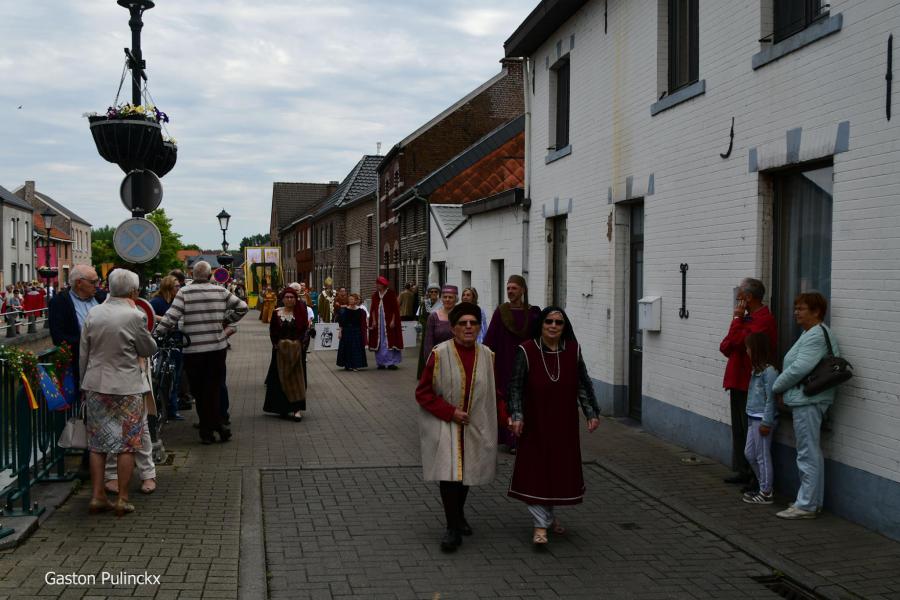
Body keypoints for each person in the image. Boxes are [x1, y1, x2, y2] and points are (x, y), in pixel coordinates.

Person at [506, 306, 600, 545]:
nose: (553, 326)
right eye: (549, 321)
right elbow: (515, 387)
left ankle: (548, 517)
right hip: (535, 422)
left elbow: (582, 384)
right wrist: (516, 414)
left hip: (563, 422)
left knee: (557, 471)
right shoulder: (526, 350)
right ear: (541, 324)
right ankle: (540, 525)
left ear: (564, 326)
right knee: (536, 472)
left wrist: (591, 412)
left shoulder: (573, 351)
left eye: (559, 323)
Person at [415, 302, 497, 552]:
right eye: (463, 323)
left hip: (474, 424)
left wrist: (510, 420)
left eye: (473, 323)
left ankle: (458, 515)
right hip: (445, 424)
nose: (469, 327)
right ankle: (452, 528)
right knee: (450, 474)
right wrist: (450, 412)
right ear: (453, 328)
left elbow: (496, 392)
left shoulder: (487, 355)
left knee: (467, 472)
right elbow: (423, 393)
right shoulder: (439, 354)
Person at [80, 269, 157, 517]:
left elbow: (84, 352)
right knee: (128, 444)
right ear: (133, 291)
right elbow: (146, 348)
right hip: (126, 387)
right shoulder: (134, 315)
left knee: (97, 444)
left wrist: (84, 382)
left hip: (96, 385)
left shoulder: (94, 313)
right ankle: (123, 498)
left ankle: (97, 496)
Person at [155, 261, 248, 445]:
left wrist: (157, 333)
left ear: (194, 275)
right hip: (217, 348)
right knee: (213, 388)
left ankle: (207, 431)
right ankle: (217, 426)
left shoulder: (184, 292)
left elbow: (171, 317)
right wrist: (224, 321)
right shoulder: (220, 291)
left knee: (199, 390)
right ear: (208, 275)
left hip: (194, 350)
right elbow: (243, 307)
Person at [773, 292, 840, 520]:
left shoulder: (815, 336)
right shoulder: (811, 333)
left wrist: (776, 387)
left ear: (816, 312)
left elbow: (799, 368)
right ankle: (811, 501)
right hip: (808, 400)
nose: (795, 312)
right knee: (811, 451)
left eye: (801, 309)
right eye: (796, 308)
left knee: (806, 452)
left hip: (809, 400)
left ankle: (806, 505)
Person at [719, 278, 777, 489]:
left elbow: (737, 343)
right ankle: (742, 470)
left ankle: (756, 477)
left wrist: (736, 319)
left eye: (740, 294)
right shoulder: (745, 319)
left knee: (750, 431)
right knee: (739, 430)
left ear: (749, 297)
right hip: (736, 379)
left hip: (750, 382)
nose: (737, 298)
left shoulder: (762, 320)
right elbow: (725, 346)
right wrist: (738, 322)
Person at [483, 275, 541, 453]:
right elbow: (490, 339)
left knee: (526, 398)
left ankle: (525, 435)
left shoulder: (533, 312)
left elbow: (539, 338)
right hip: (505, 362)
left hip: (527, 363)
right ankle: (512, 439)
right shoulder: (501, 311)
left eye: (514, 288)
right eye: (508, 288)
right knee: (508, 399)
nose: (510, 291)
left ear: (523, 290)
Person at [49, 265, 107, 383]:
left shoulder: (102, 297)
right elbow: (58, 337)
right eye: (93, 282)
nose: (97, 285)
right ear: (79, 283)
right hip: (79, 366)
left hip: (106, 364)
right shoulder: (59, 302)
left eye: (98, 281)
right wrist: (88, 343)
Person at [741, 332, 779, 505]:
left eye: (748, 347)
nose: (747, 351)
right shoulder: (756, 370)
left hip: (762, 419)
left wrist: (766, 421)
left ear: (756, 349)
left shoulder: (769, 372)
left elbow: (772, 398)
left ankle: (766, 492)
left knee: (762, 455)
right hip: (752, 415)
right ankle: (764, 485)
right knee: (750, 453)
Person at [263, 287, 308, 421]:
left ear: (295, 299)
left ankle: (296, 409)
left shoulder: (300, 313)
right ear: (283, 299)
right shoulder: (277, 313)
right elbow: (273, 332)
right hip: (281, 352)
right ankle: (282, 408)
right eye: (287, 297)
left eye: (292, 297)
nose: (289, 299)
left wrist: (300, 345)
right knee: (280, 380)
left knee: (297, 380)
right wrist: (277, 345)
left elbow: (305, 331)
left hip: (297, 352)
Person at [368, 276, 403, 370]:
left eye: (379, 284)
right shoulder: (375, 295)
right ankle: (381, 362)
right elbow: (373, 310)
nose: (377, 285)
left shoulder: (391, 294)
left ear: (383, 285)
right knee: (379, 342)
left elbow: (395, 309)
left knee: (389, 341)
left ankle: (391, 362)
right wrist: (374, 321)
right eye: (377, 284)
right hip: (379, 324)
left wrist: (393, 320)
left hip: (388, 323)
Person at [422, 285, 458, 366]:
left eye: (450, 297)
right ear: (441, 299)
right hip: (439, 358)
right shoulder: (433, 317)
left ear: (455, 299)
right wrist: (430, 361)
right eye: (445, 297)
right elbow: (428, 342)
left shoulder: (461, 316)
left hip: (458, 357)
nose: (447, 299)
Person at [336, 292, 368, 371]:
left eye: (352, 299)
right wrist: (340, 332)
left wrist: (364, 334)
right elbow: (341, 323)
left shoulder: (361, 311)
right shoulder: (344, 310)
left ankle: (355, 365)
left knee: (355, 349)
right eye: (349, 299)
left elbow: (363, 323)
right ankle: (347, 364)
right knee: (347, 348)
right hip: (347, 331)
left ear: (356, 300)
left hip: (356, 332)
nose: (350, 301)